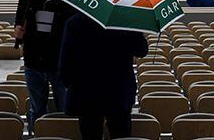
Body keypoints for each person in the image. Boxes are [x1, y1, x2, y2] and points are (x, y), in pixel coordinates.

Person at [59, 12, 148, 140]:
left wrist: (72, 84)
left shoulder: (75, 22)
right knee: (121, 135)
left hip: (86, 93)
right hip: (118, 92)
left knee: (90, 135)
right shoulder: (126, 21)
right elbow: (141, 50)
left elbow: (65, 65)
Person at [14, 0, 72, 132]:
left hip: (59, 65)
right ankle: (37, 136)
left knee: (66, 111)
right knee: (36, 110)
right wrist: (18, 32)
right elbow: (19, 20)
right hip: (33, 63)